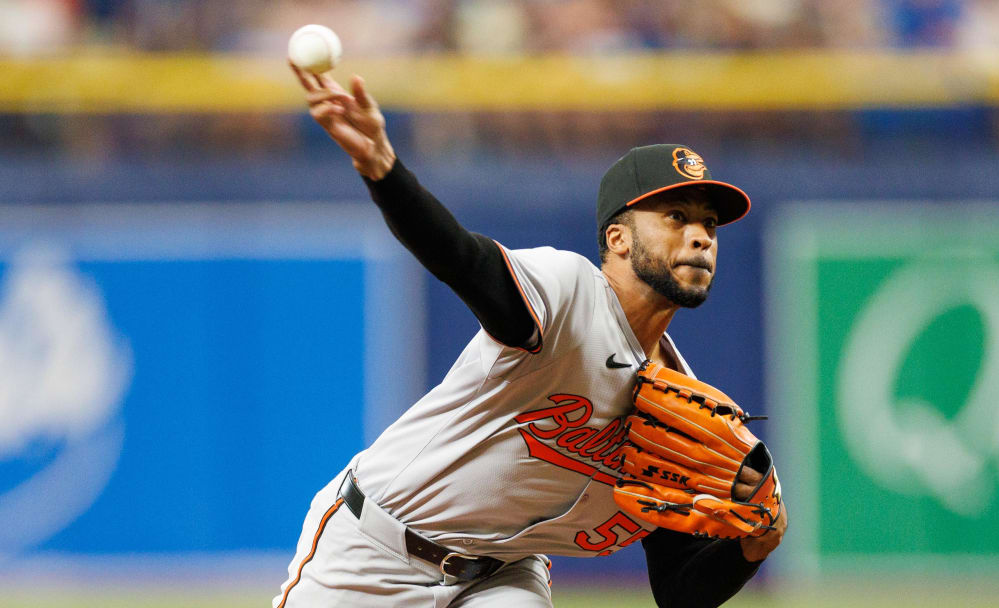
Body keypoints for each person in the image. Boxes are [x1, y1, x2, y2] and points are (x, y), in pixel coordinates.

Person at [275, 64, 787, 608]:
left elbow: (678, 591)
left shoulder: (681, 405)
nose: (700, 237)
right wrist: (383, 168)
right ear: (617, 237)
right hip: (376, 549)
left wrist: (753, 548)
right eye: (676, 216)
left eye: (709, 224)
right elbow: (461, 259)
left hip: (502, 578)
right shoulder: (568, 294)